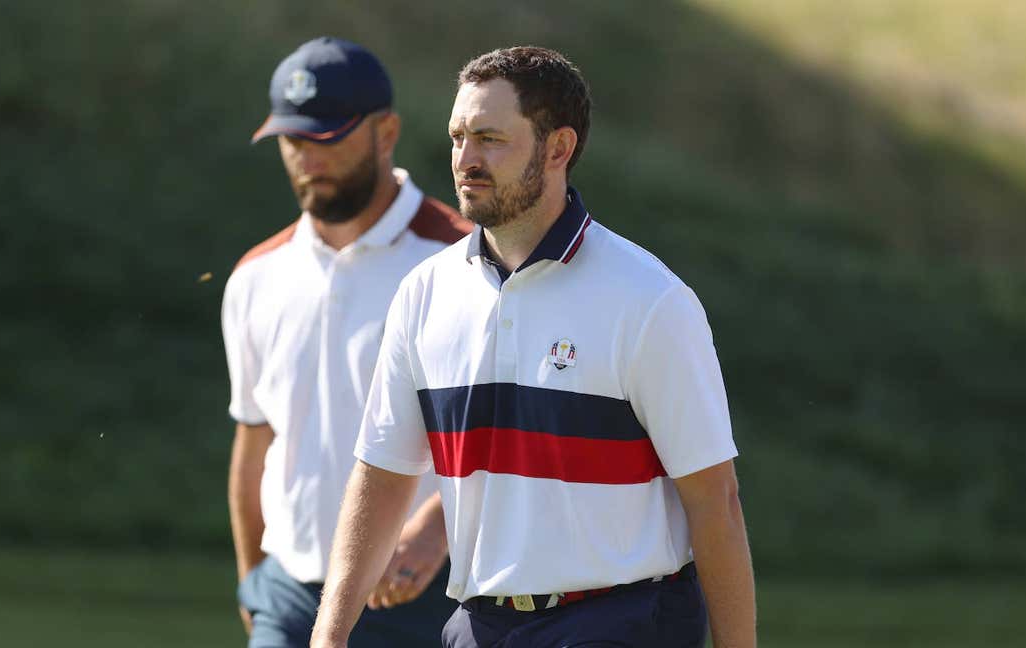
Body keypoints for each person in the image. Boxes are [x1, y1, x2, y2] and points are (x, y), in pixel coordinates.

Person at [310, 46, 757, 648]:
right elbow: (383, 477)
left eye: (490, 138)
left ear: (558, 149)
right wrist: (328, 637)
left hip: (621, 623)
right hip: (477, 625)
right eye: (458, 135)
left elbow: (715, 502)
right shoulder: (423, 294)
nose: (466, 159)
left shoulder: (649, 300)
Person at [222, 36, 470, 648]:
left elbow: (513, 433)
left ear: (386, 132)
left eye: (326, 136)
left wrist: (436, 529)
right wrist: (254, 582)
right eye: (291, 138)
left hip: (424, 596)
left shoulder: (467, 264)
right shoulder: (255, 277)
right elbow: (255, 443)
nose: (307, 156)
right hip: (290, 594)